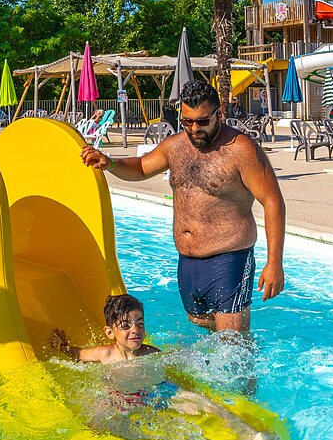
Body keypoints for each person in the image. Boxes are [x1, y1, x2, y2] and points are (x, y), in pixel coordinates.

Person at [80, 80, 285, 333]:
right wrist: (110, 162)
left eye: (202, 121)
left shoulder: (241, 150)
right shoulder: (175, 146)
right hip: (188, 262)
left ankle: (246, 368)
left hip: (230, 258)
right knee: (203, 327)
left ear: (218, 113)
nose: (194, 128)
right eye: (187, 121)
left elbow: (272, 201)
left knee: (233, 345)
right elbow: (143, 167)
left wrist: (274, 262)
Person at [51, 294, 277, 440]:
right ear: (110, 332)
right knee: (99, 425)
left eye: (140, 323)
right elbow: (77, 355)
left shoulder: (151, 353)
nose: (135, 330)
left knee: (207, 404)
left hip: (160, 393)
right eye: (126, 325)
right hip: (121, 399)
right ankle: (162, 437)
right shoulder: (104, 354)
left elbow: (177, 361)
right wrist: (62, 347)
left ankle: (250, 436)